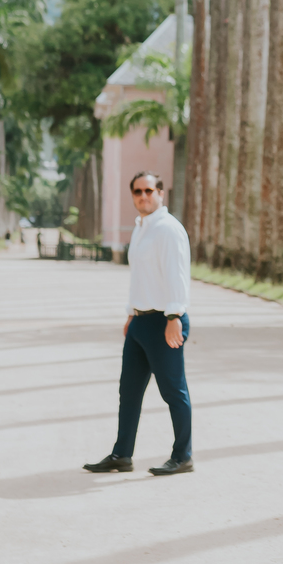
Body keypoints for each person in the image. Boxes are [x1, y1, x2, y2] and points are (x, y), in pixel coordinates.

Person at [83, 171, 193, 477]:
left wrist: (174, 316)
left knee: (173, 391)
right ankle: (122, 455)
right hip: (140, 323)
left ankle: (183, 456)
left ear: (160, 193)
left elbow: (177, 276)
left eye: (148, 190)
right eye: (137, 191)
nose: (143, 196)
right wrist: (131, 314)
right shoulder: (142, 228)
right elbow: (140, 278)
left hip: (164, 321)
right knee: (128, 391)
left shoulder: (168, 229)